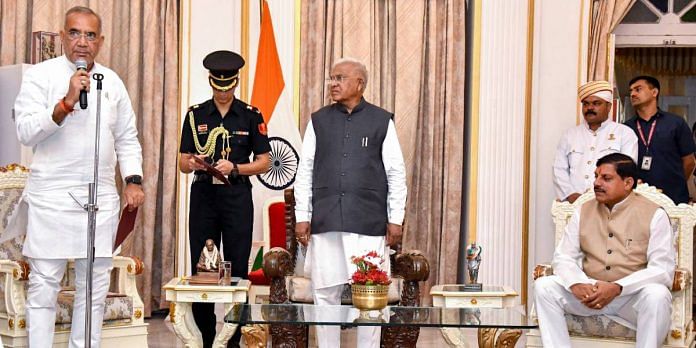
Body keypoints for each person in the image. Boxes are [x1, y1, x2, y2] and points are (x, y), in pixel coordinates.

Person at [13, 6, 145, 347]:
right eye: (74, 33)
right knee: (44, 285)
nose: (81, 42)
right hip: (52, 197)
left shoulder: (112, 82)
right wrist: (65, 103)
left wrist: (133, 179)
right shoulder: (40, 76)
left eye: (89, 35)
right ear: (62, 36)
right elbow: (26, 131)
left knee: (94, 289)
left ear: (100, 42)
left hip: (100, 199)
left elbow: (127, 136)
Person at [294, 57, 407, 347]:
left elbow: (396, 172)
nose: (333, 84)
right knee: (325, 293)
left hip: (367, 223)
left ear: (360, 83)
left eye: (340, 78)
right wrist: (302, 215)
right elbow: (304, 170)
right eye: (331, 78)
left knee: (370, 295)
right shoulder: (318, 120)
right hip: (326, 220)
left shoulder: (381, 120)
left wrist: (396, 219)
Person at [178, 50, 271, 348]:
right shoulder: (195, 115)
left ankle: (232, 340)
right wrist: (192, 163)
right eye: (218, 86)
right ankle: (205, 338)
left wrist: (236, 168)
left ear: (236, 82)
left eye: (228, 86)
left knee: (237, 268)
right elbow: (181, 161)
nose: (222, 91)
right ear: (210, 82)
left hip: (236, 195)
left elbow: (265, 162)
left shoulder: (251, 114)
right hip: (204, 194)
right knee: (203, 268)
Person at [535, 153, 675, 348]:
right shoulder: (582, 210)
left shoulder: (655, 214)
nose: (597, 183)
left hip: (630, 297)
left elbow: (662, 270)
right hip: (589, 294)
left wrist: (618, 287)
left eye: (606, 178)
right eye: (596, 176)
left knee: (657, 295)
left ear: (628, 183)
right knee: (545, 287)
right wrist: (577, 282)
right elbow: (564, 256)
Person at [553, 80, 638, 203]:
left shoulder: (624, 133)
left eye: (596, 103)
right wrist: (570, 194)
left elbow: (626, 171)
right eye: (586, 104)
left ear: (609, 106)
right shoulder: (570, 135)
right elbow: (559, 168)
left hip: (610, 204)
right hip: (574, 204)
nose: (590, 108)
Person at [624, 75, 696, 204]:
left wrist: (675, 181)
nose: (633, 94)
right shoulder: (626, 128)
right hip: (637, 197)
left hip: (673, 197)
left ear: (654, 92)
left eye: (638, 89)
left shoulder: (676, 123)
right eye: (631, 91)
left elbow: (689, 161)